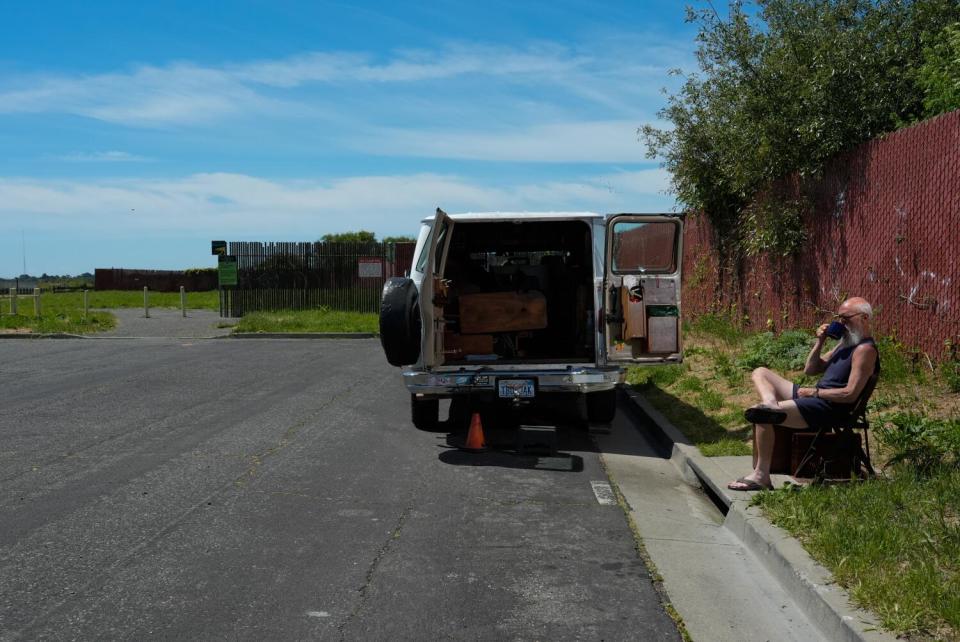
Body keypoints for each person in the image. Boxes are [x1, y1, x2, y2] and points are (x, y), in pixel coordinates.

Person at [727, 297, 880, 491]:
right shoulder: (845, 344)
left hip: (830, 407)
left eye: (845, 318)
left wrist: (815, 392)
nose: (840, 323)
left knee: (761, 414)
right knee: (760, 372)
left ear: (864, 318)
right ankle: (771, 404)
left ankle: (761, 476)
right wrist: (820, 341)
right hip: (816, 397)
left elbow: (850, 394)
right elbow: (810, 369)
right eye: (838, 318)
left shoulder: (865, 349)